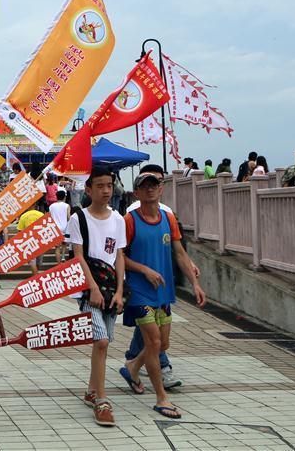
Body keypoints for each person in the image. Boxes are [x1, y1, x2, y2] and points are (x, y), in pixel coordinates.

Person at [120, 172, 206, 420]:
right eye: (144, 186)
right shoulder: (130, 220)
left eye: (154, 186)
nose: (150, 190)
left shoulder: (168, 219)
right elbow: (120, 257)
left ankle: (132, 367)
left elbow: (179, 253)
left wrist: (195, 284)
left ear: (161, 190)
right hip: (139, 292)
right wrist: (144, 270)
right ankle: (161, 398)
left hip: (163, 292)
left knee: (162, 345)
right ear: (136, 192)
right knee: (155, 343)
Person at [67, 167, 125, 427]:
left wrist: (121, 290)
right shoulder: (78, 218)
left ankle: (91, 390)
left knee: (104, 343)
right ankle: (102, 401)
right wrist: (91, 287)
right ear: (88, 190)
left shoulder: (118, 219)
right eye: (100, 186)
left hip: (112, 289)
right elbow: (78, 256)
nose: (106, 191)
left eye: (109, 186)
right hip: (89, 290)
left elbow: (120, 256)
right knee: (101, 341)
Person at [17, 203, 45, 275]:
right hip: (41, 240)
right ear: (35, 205)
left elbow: (20, 231)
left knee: (32, 261)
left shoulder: (23, 216)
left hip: (29, 241)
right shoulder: (41, 214)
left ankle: (35, 276)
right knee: (38, 262)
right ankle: (35, 275)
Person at [49, 190, 71, 264]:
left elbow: (50, 217)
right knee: (64, 243)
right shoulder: (67, 205)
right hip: (65, 227)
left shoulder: (51, 206)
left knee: (57, 247)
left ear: (56, 196)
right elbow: (68, 217)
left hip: (55, 228)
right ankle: (63, 256)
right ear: (64, 197)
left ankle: (59, 264)